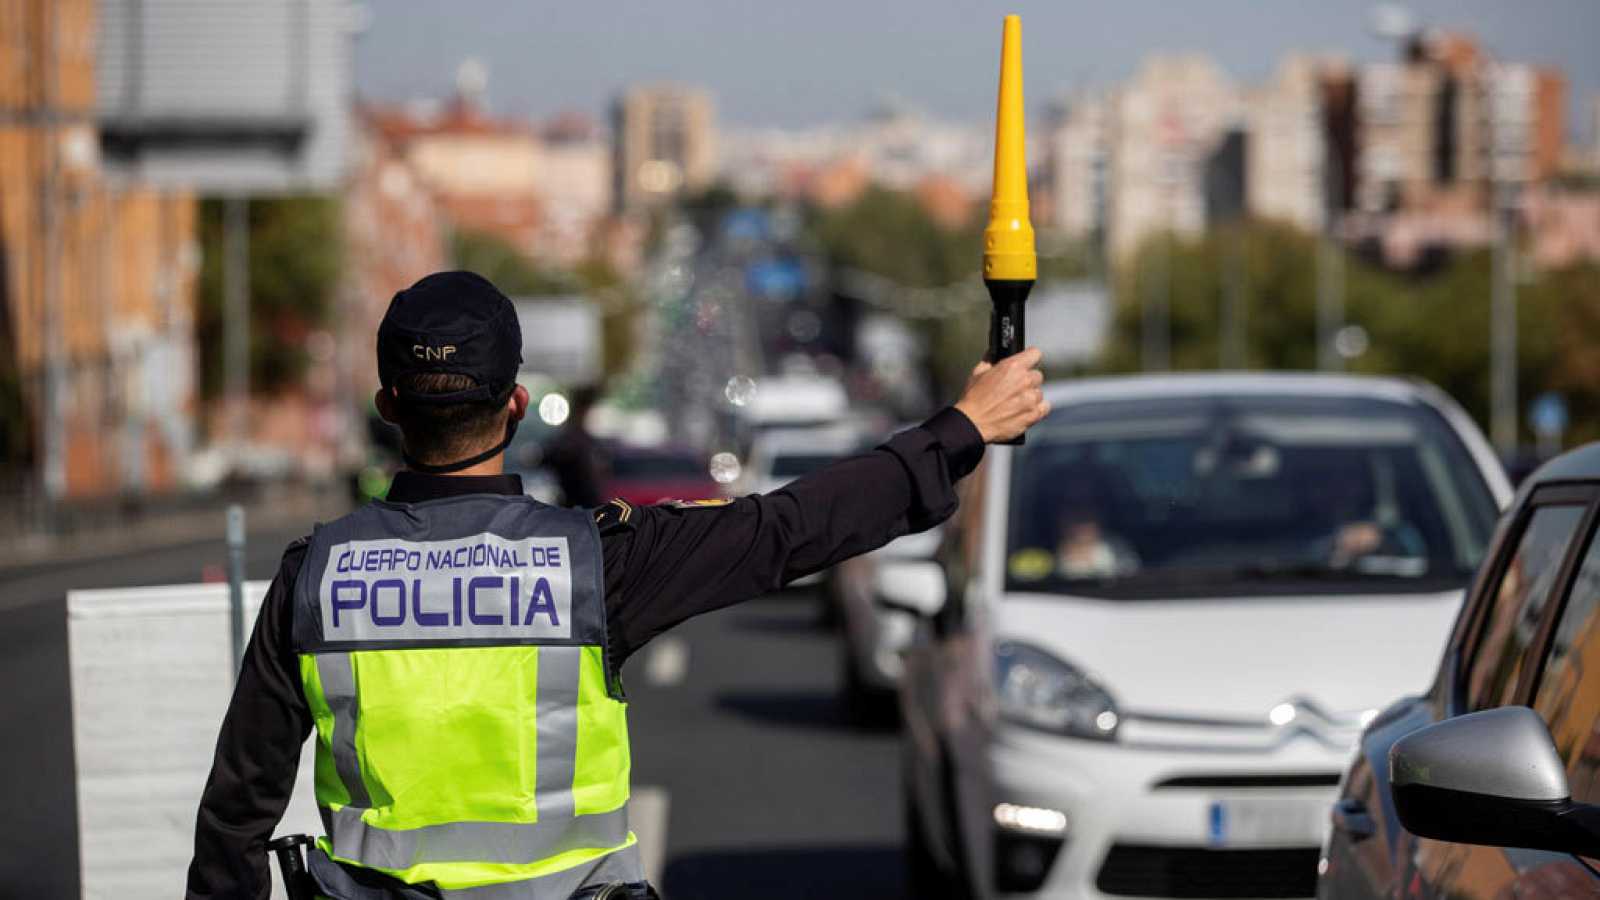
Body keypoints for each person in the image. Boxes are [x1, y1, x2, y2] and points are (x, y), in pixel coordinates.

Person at [186, 270, 1048, 900]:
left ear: (389, 408)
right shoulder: (592, 563)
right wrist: (960, 429)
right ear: (516, 407)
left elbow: (237, 813)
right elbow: (790, 528)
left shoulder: (316, 576)